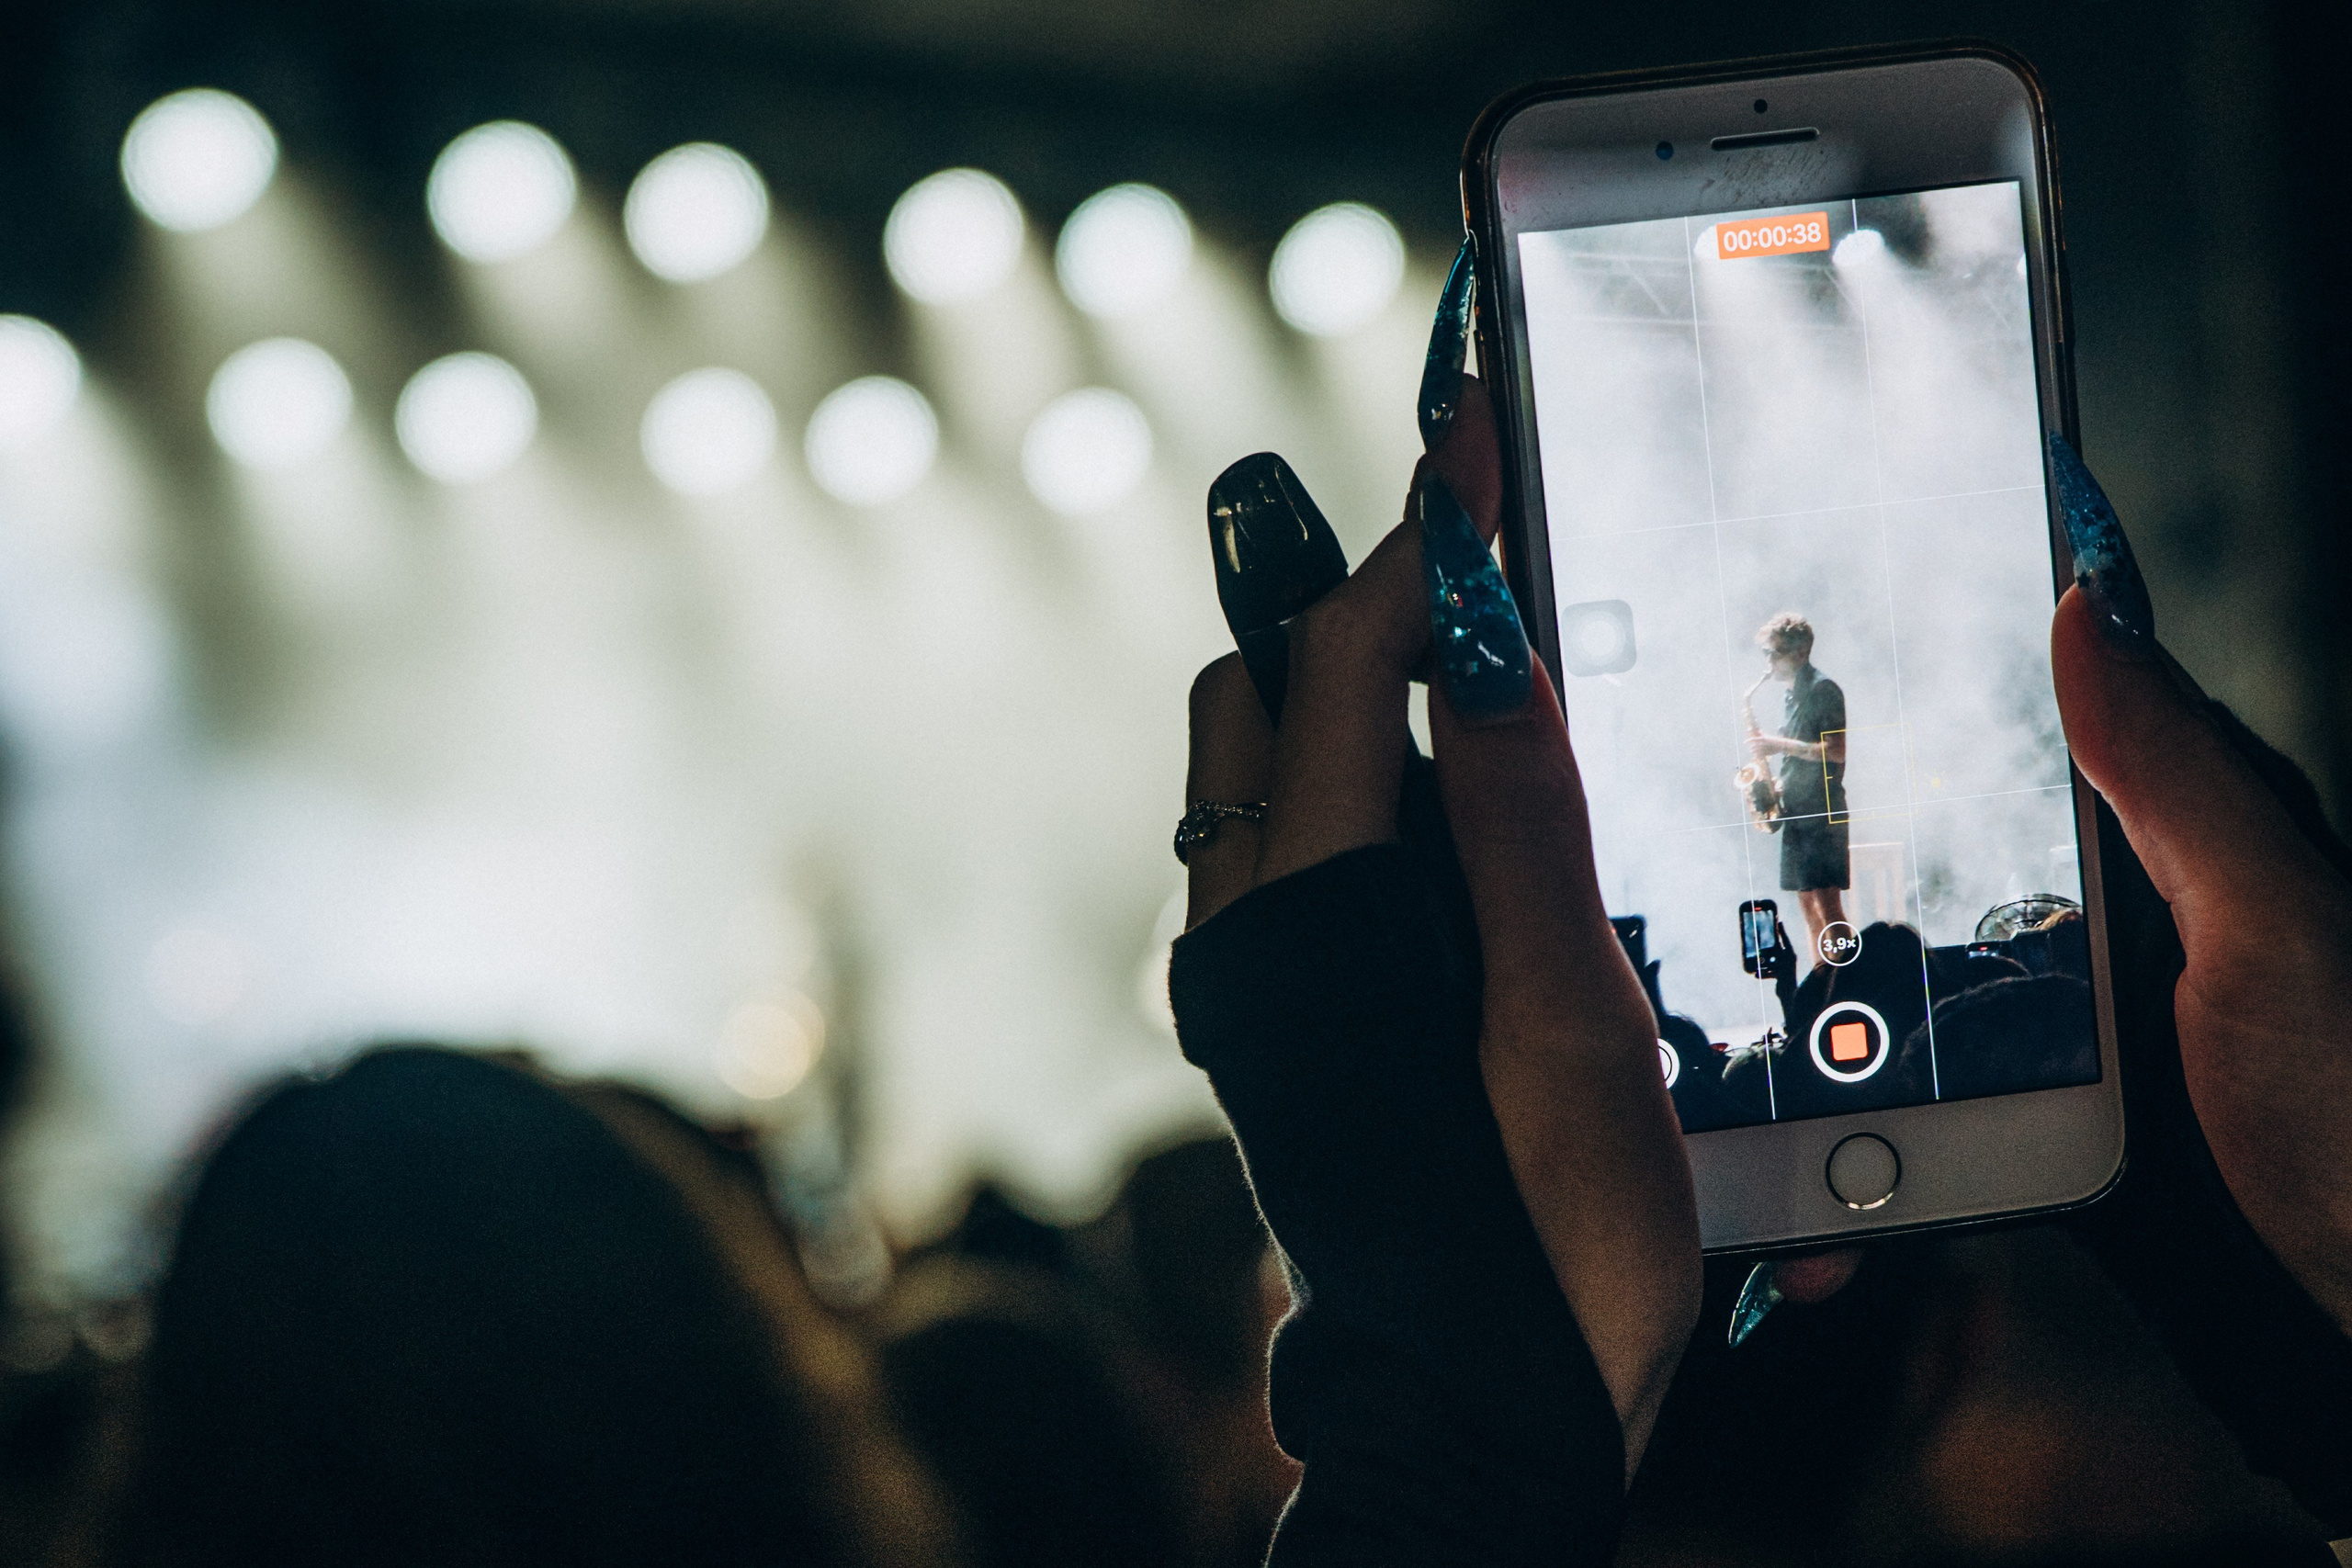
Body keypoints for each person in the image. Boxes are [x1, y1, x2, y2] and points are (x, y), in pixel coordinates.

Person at [1170, 233, 2352, 1562]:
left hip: (1813, 824)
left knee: (1818, 917)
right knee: (1812, 923)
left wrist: (1443, 1492)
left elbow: (1819, 752)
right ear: (1957, 1348)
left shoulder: (1817, 693)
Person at [1747, 612, 1851, 967]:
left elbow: (1836, 751)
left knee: (1828, 907)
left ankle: (1846, 981)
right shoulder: (1790, 696)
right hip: (1797, 809)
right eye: (1766, 654)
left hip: (1822, 810)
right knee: (1808, 905)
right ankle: (1822, 981)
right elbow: (1799, 757)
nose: (1768, 663)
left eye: (1774, 654)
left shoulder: (1823, 690)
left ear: (1800, 652)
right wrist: (1775, 785)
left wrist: (1777, 745)